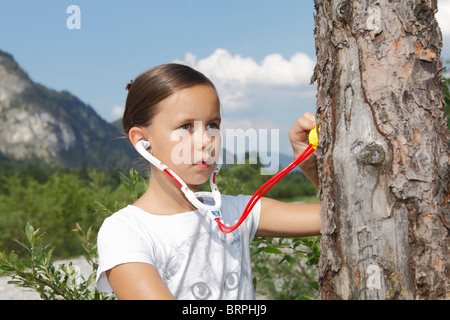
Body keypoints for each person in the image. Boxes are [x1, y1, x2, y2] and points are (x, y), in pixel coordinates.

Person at [95, 63, 321, 300]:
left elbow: (340, 218)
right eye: (186, 127)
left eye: (213, 125)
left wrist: (311, 166)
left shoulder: (237, 212)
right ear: (142, 141)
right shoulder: (125, 232)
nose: (206, 140)